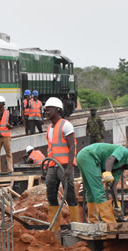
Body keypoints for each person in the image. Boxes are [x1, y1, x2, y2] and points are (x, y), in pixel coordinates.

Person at [44, 97, 79, 230]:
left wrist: (69, 167)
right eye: (45, 110)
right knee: (51, 195)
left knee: (69, 195)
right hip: (53, 166)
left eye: (49, 109)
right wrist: (47, 166)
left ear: (57, 110)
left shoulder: (66, 125)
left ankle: (76, 226)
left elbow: (72, 146)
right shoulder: (49, 128)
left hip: (64, 166)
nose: (46, 112)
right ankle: (55, 229)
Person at [76, 143, 128, 223]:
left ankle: (93, 221)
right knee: (99, 191)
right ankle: (110, 223)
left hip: (83, 157)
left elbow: (113, 186)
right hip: (89, 156)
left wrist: (116, 204)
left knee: (91, 191)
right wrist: (108, 172)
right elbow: (110, 159)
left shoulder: (119, 168)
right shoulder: (123, 151)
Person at [0, 96, 13, 174]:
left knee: (8, 153)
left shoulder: (8, 113)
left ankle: (10, 169)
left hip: (6, 136)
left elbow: (11, 126)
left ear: (3, 104)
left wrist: (9, 126)